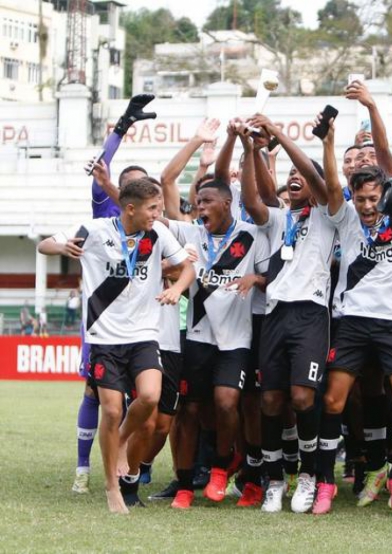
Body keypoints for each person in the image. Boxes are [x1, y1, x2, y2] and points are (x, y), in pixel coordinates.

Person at [37, 178, 194, 513]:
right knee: (110, 409)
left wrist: (177, 288)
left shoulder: (157, 234)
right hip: (105, 338)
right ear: (131, 208)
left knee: (150, 397)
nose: (158, 214)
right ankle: (112, 488)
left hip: (143, 334)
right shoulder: (94, 230)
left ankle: (121, 439)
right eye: (153, 208)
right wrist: (62, 247)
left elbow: (188, 269)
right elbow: (44, 245)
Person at [313, 118, 392, 515]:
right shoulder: (344, 218)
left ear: (384, 195)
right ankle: (324, 483)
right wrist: (328, 144)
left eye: (373, 198)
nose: (366, 206)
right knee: (333, 401)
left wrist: (372, 107)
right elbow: (328, 185)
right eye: (360, 199)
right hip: (352, 321)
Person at [241, 113, 334, 514]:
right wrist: (250, 150)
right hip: (276, 316)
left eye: (303, 173)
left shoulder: (332, 215)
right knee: (270, 402)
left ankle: (310, 476)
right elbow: (250, 202)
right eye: (290, 173)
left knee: (302, 397)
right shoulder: (280, 219)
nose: (295, 177)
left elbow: (320, 183)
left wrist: (278, 133)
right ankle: (275, 480)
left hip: (312, 315)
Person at [166, 172, 270, 510]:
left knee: (228, 402)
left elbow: (278, 275)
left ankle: (222, 468)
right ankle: (183, 485)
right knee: (190, 409)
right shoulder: (191, 233)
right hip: (198, 337)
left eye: (206, 202)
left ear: (228, 204)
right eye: (197, 203)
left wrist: (256, 277)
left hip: (237, 339)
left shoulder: (253, 235)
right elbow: (156, 219)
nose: (200, 208)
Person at [71, 95, 155, 495]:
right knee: (96, 392)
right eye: (125, 184)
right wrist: (121, 127)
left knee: (145, 395)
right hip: (102, 321)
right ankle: (84, 467)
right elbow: (99, 170)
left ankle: (134, 462)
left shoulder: (153, 225)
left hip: (140, 324)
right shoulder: (104, 211)